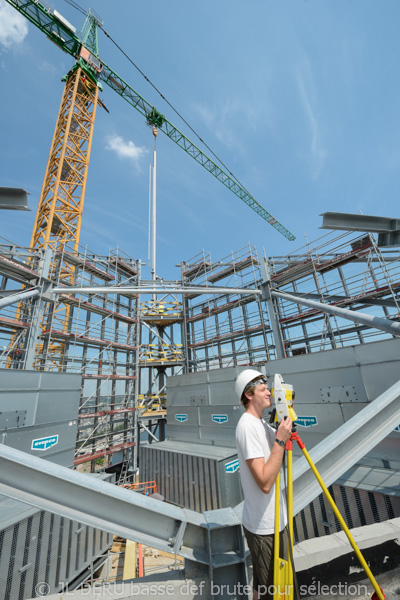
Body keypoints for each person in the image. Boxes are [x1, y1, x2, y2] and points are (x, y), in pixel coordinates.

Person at [235, 369, 295, 600]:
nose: (269, 392)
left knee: (262, 588)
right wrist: (280, 439)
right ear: (249, 395)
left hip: (275, 522)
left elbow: (288, 442)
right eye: (263, 389)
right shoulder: (248, 426)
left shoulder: (260, 424)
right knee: (274, 591)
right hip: (264, 528)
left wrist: (286, 413)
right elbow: (265, 482)